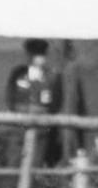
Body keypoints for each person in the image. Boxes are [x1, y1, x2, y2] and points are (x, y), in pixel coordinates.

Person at [6, 38, 64, 167]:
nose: (36, 58)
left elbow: (55, 105)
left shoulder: (52, 77)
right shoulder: (18, 74)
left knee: (36, 166)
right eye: (33, 54)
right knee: (14, 164)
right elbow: (10, 98)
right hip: (19, 129)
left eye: (40, 54)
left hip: (41, 131)